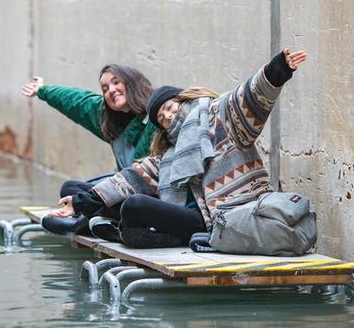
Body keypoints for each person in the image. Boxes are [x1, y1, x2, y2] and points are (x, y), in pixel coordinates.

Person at [50, 48, 307, 247]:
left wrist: (277, 70)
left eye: (170, 108)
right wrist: (80, 202)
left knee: (133, 207)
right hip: (192, 219)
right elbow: (131, 178)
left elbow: (249, 97)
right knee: (132, 204)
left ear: (183, 99)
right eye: (162, 118)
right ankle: (126, 229)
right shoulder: (169, 151)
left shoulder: (221, 118)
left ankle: (120, 231)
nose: (169, 117)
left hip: (229, 217)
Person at [21, 64, 157, 234]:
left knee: (131, 204)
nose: (111, 90)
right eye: (105, 88)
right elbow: (78, 102)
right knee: (70, 188)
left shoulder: (157, 113)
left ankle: (88, 222)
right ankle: (97, 220)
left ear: (133, 83)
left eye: (116, 83)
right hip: (122, 191)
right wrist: (43, 90)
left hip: (149, 195)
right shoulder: (111, 120)